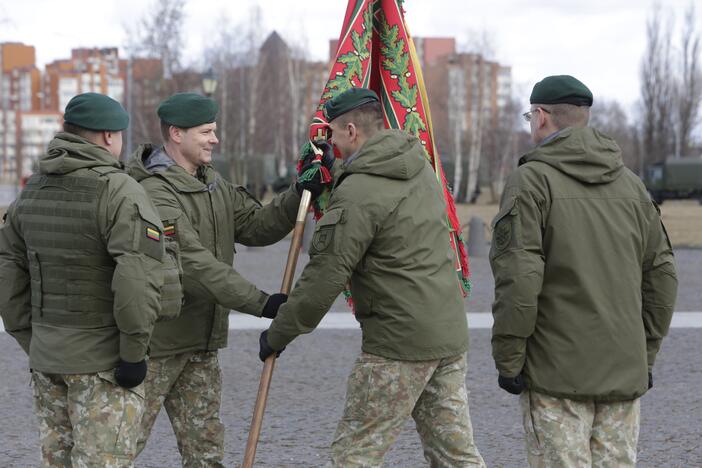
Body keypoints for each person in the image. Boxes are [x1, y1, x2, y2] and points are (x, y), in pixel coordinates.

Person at [260, 87, 486, 467]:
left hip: (397, 345)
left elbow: (325, 276)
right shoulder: (418, 166)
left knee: (355, 455)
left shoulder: (362, 188)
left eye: (331, 133)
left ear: (351, 130)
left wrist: (280, 333)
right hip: (447, 335)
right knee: (456, 455)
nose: (328, 142)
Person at [126, 92, 331, 466]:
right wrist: (263, 303)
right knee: (119, 448)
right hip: (156, 345)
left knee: (206, 452)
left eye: (214, 130)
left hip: (201, 346)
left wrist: (299, 192)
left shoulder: (212, 184)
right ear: (176, 134)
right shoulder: (153, 191)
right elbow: (194, 263)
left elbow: (257, 226)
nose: (214, 139)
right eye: (205, 131)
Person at [489, 75, 678, 467]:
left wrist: (509, 360)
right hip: (622, 370)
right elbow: (662, 277)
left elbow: (519, 280)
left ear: (541, 117)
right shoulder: (632, 184)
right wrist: (644, 356)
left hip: (554, 375)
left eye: (530, 115)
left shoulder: (531, 182)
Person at [0, 92, 167, 466]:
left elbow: (8, 272)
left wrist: (31, 338)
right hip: (103, 363)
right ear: (109, 136)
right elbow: (136, 280)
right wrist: (133, 354)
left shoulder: (32, 191)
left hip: (47, 359)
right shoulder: (118, 190)